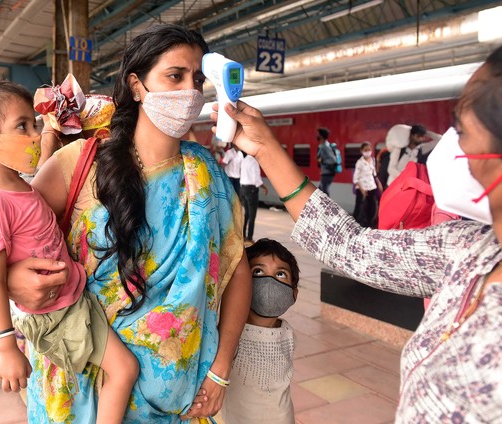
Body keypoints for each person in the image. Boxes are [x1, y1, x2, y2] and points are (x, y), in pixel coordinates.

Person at [211, 44, 502, 422]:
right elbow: (349, 246)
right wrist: (265, 147)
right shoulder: (471, 250)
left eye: (460, 129)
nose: (448, 146)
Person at [0, 24, 251, 423]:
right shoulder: (76, 164)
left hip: (176, 394)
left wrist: (220, 371)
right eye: (175, 75)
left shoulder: (206, 175)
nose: (189, 90)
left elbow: (237, 270)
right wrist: (13, 279)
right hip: (79, 383)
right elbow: (8, 247)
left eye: (197, 79)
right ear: (136, 85)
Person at [0, 75, 139, 423]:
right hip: (57, 315)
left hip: (68, 300)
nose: (35, 134)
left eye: (34, 124)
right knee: (124, 370)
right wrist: (5, 348)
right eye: (23, 126)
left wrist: (50, 137)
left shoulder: (15, 183)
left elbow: (34, 199)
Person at [221, 238, 299, 424]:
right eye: (257, 271)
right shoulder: (228, 334)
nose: (270, 281)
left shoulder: (288, 333)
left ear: (294, 294)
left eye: (280, 274)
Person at [240, 152, 268, 245]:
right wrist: (264, 187)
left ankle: (243, 236)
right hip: (251, 190)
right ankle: (249, 237)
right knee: (252, 215)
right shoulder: (254, 161)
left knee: (246, 214)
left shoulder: (244, 160)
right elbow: (256, 179)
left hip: (243, 188)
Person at [352, 142, 382, 227]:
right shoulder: (359, 162)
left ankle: (369, 224)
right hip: (362, 188)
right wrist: (362, 190)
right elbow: (355, 178)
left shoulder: (372, 160)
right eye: (365, 150)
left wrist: (379, 183)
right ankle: (355, 225)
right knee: (359, 208)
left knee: (371, 207)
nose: (368, 152)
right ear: (361, 151)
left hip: (371, 187)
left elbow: (374, 174)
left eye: (369, 150)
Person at [315, 127, 336, 196]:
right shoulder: (322, 146)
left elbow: (333, 160)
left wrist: (322, 160)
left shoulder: (325, 146)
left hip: (327, 173)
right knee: (319, 192)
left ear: (321, 136)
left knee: (324, 192)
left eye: (318, 134)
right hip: (325, 172)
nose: (317, 136)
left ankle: (328, 206)